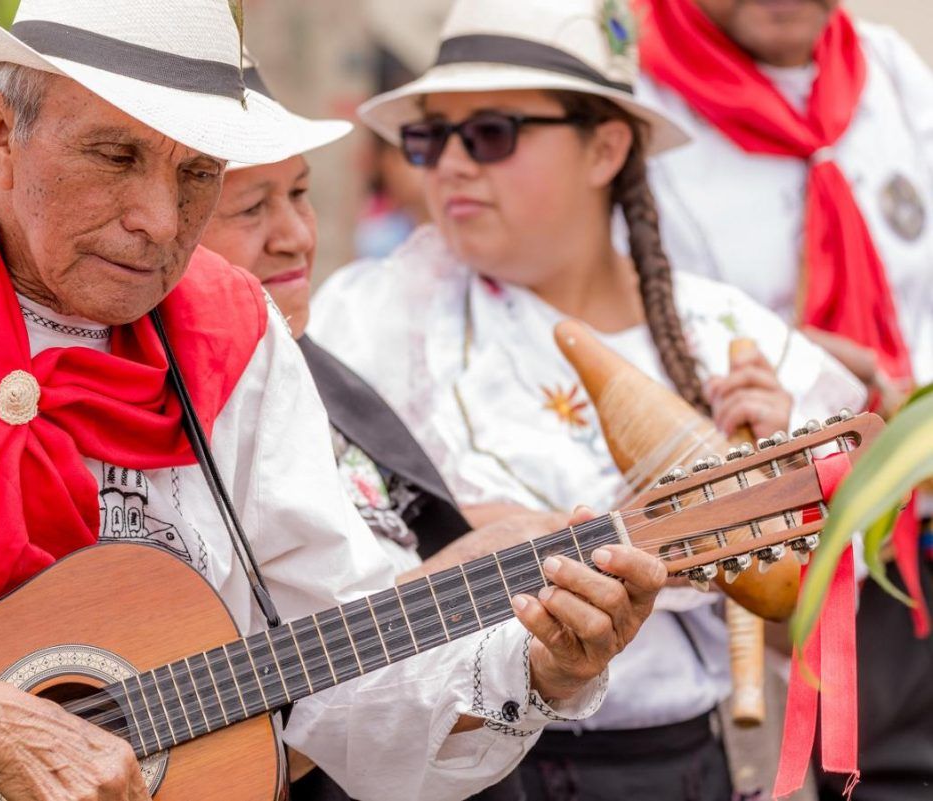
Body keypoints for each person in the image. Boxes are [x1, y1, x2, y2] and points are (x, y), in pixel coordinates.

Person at [0, 3, 669, 801]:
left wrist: (531, 665)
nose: (158, 219)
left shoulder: (240, 344)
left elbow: (347, 687)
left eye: (198, 175)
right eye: (115, 156)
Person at [308, 0, 865, 798]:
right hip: (443, 771)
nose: (451, 165)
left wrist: (784, 523)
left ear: (606, 146)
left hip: (671, 770)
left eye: (492, 133)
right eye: (429, 137)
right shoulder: (365, 319)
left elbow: (810, 636)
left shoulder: (730, 334)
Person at [202, 53, 580, 801]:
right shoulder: (175, 403)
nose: (295, 236)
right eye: (252, 208)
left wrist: (481, 541)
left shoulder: (317, 369)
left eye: (302, 194)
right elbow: (225, 694)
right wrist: (452, 575)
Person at [634, 1, 933, 797]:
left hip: (921, 512)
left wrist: (894, 392)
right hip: (790, 553)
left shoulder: (887, 71)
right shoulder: (634, 91)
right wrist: (818, 376)